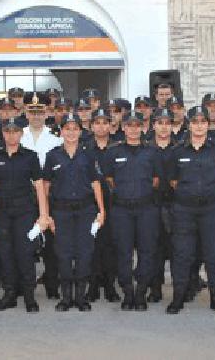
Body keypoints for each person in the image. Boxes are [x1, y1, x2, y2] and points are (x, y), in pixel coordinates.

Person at [163, 106, 215, 315]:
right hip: (184, 210)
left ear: (208, 124)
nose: (199, 126)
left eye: (203, 122)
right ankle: (178, 298)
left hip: (212, 209)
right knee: (182, 255)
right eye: (195, 122)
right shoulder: (178, 151)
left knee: (214, 254)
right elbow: (173, 181)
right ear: (189, 124)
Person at [0, 118, 52, 312]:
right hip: (1, 213)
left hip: (25, 213)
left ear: (21, 134)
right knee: (4, 254)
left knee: (26, 253)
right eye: (7, 131)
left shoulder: (30, 156)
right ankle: (9, 294)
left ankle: (29, 296)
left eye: (15, 131)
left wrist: (43, 214)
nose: (11, 135)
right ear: (3, 134)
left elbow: (39, 186)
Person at [43, 113, 107, 312]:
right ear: (61, 132)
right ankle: (66, 298)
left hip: (85, 211)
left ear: (80, 131)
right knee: (63, 254)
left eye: (75, 129)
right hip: (61, 212)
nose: (71, 132)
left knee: (84, 254)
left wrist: (101, 210)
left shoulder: (88, 155)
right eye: (67, 129)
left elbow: (96, 183)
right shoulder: (52, 155)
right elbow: (45, 186)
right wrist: (46, 214)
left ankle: (80, 297)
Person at [101, 111, 163, 311]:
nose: (134, 129)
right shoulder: (113, 152)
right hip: (121, 209)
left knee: (147, 251)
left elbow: (156, 180)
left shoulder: (152, 152)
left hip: (146, 208)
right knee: (123, 252)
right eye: (130, 125)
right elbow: (109, 179)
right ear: (124, 128)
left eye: (137, 125)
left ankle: (141, 292)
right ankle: (127, 292)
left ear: (142, 127)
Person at [20, 92, 64, 299]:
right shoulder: (17, 135)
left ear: (47, 113)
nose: (36, 116)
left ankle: (52, 285)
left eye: (40, 112)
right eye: (32, 111)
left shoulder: (56, 139)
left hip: (51, 195)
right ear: (25, 112)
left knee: (52, 244)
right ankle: (24, 285)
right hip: (24, 197)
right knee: (25, 242)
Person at [83, 107, 122, 303]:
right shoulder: (84, 148)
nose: (101, 126)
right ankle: (92, 285)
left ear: (111, 125)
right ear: (91, 126)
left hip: (114, 203)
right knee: (92, 244)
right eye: (97, 122)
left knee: (110, 246)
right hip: (89, 204)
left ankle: (109, 285)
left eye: (105, 122)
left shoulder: (118, 147)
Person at [144, 107, 179, 303]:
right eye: (160, 123)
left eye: (168, 123)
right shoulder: (146, 149)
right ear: (153, 125)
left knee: (179, 250)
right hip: (153, 204)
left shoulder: (180, 148)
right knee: (153, 249)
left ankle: (181, 288)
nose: (164, 127)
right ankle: (155, 288)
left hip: (176, 204)